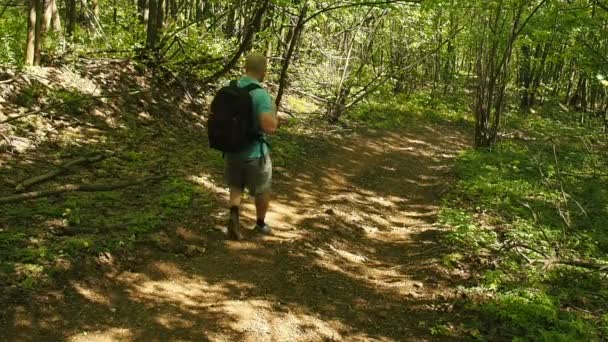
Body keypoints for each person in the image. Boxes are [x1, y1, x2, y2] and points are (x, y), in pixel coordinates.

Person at [224, 53, 278, 240]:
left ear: (245, 68)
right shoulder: (261, 95)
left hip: (231, 149)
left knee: (236, 184)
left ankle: (233, 214)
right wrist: (274, 113)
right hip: (255, 153)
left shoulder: (230, 88)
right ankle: (260, 224)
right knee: (262, 189)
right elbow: (269, 126)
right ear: (264, 72)